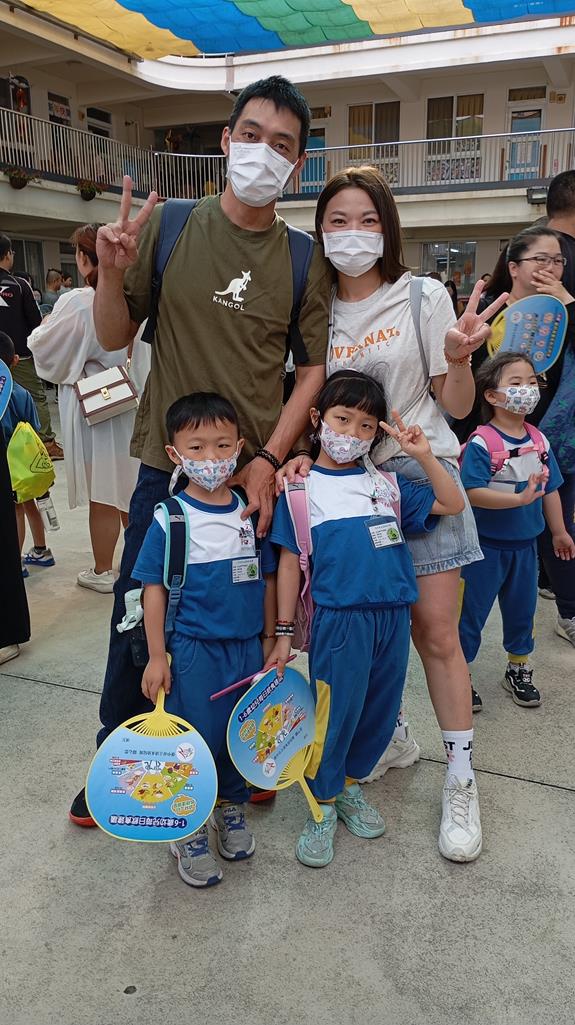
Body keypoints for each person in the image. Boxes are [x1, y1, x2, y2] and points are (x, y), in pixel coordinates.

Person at [68, 75, 330, 827]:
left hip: (250, 482)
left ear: (297, 165)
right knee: (139, 616)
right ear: (225, 140)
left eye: (281, 144)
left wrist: (268, 457)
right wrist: (112, 273)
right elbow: (114, 333)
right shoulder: (173, 225)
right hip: (169, 472)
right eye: (250, 135)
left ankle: (243, 756)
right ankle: (122, 755)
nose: (262, 152)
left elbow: (311, 368)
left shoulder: (302, 258)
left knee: (247, 621)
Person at [280, 166, 507, 862]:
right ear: (320, 231)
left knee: (434, 632)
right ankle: (388, 735)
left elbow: (457, 405)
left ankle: (460, 779)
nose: (353, 234)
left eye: (368, 220)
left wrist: (459, 358)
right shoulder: (312, 307)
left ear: (388, 228)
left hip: (417, 471)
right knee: (359, 625)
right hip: (342, 483)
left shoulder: (421, 295)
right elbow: (305, 396)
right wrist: (295, 455)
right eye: (338, 221)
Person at [267, 370, 466, 866]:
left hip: (392, 618)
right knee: (333, 716)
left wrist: (425, 456)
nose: (353, 433)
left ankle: (349, 784)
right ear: (318, 419)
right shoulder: (300, 489)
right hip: (340, 622)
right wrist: (284, 632)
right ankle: (321, 803)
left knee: (378, 713)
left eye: (366, 426)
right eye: (342, 419)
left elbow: (452, 501)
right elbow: (289, 564)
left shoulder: (388, 486)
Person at [134, 392, 277, 887]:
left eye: (221, 445)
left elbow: (265, 578)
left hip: (246, 649)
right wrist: (157, 656)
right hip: (193, 651)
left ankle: (229, 808)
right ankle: (187, 826)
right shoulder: (171, 517)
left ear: (239, 446)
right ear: (174, 453)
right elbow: (153, 590)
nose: (211, 458)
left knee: (240, 735)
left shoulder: (248, 510)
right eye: (196, 448)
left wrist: (269, 639)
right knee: (192, 741)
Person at [452, 225, 575, 648]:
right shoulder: (486, 314)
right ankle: (461, 654)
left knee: (552, 521)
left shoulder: (562, 315)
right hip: (487, 439)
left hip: (546, 440)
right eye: (540, 259)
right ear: (514, 266)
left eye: (558, 260)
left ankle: (563, 614)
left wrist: (567, 303)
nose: (550, 267)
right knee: (482, 551)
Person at [29, 224, 149, 593]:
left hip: (94, 408)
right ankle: (142, 563)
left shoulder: (79, 302)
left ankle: (102, 570)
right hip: (132, 400)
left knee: (103, 493)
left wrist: (43, 326)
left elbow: (45, 351)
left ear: (83, 259)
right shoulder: (138, 298)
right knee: (130, 489)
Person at [458, 352, 574, 707]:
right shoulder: (482, 442)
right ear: (491, 395)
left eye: (531, 382)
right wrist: (518, 499)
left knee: (522, 611)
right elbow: (472, 492)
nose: (527, 389)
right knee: (470, 614)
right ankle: (459, 674)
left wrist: (559, 531)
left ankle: (519, 667)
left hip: (525, 548)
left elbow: (550, 488)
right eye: (516, 382)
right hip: (483, 549)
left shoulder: (539, 441)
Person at [0, 235, 62, 460]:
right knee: (35, 397)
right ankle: (46, 443)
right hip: (19, 355)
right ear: (7, 254)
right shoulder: (19, 285)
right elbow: (36, 322)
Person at [0, 332, 56, 573]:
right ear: (15, 360)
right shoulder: (22, 393)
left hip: (8, 462)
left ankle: (15, 561)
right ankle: (41, 550)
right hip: (27, 461)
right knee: (30, 502)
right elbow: (34, 427)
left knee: (15, 509)